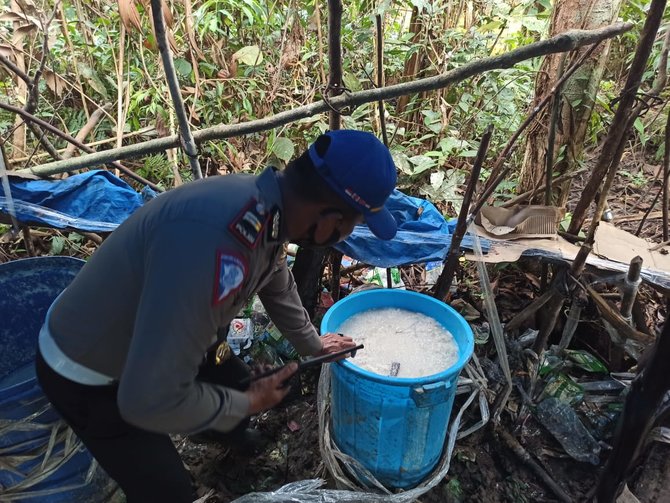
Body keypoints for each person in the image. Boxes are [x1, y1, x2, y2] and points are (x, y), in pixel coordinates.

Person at [35, 129, 398, 502]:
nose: (343, 236)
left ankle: (226, 435)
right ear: (327, 218)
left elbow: (277, 281)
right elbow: (145, 399)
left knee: (237, 383)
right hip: (90, 371)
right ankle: (206, 431)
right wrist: (247, 404)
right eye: (350, 227)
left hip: (163, 334)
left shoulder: (269, 207)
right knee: (169, 490)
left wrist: (312, 344)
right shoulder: (217, 246)